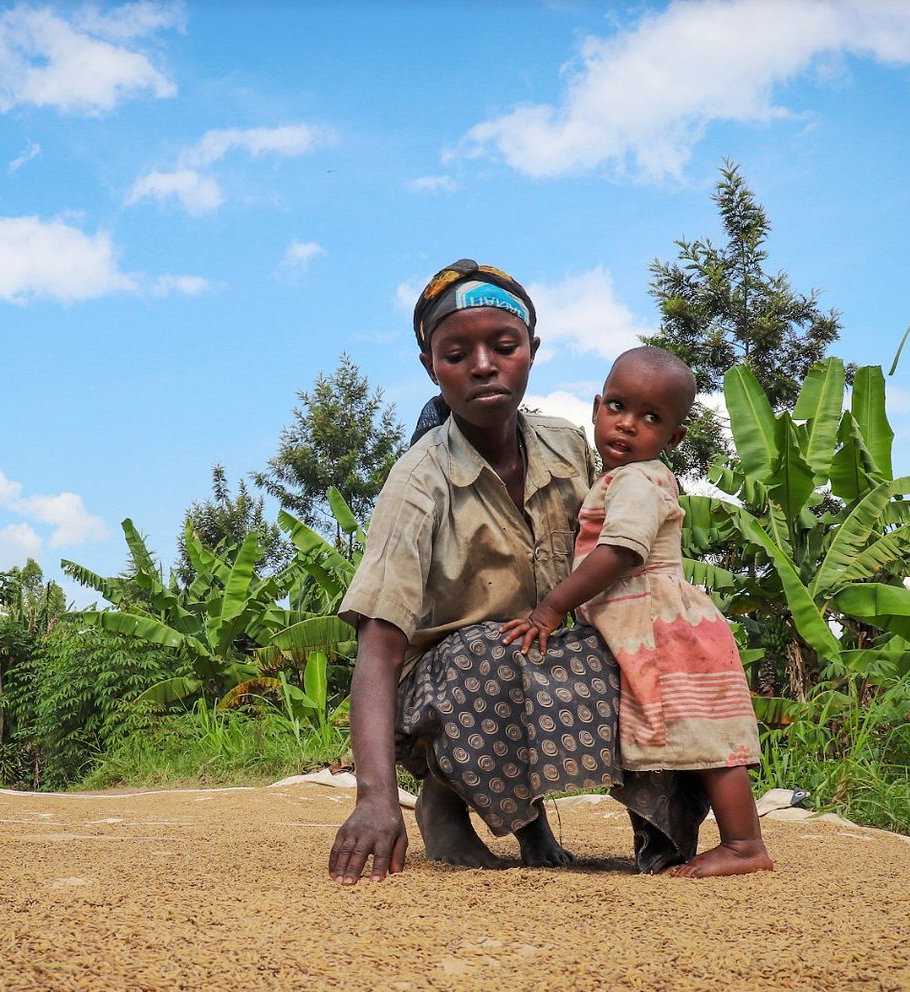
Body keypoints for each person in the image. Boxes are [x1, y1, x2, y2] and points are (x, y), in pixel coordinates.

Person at [328, 261, 704, 884]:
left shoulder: (569, 446)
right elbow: (379, 647)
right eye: (456, 355)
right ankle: (447, 797)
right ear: (431, 366)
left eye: (504, 347)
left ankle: (662, 835)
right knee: (490, 651)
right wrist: (374, 797)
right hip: (441, 696)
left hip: (542, 654)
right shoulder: (418, 483)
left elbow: (617, 554)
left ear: (532, 350)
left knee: (654, 644)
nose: (483, 366)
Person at [500, 346, 771, 878]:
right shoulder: (620, 479)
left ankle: (744, 845)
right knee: (701, 738)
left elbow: (622, 551)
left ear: (673, 438)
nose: (627, 424)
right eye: (618, 406)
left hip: (664, 633)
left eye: (650, 418)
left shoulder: (637, 480)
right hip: (661, 628)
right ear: (596, 408)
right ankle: (731, 841)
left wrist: (550, 609)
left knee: (710, 742)